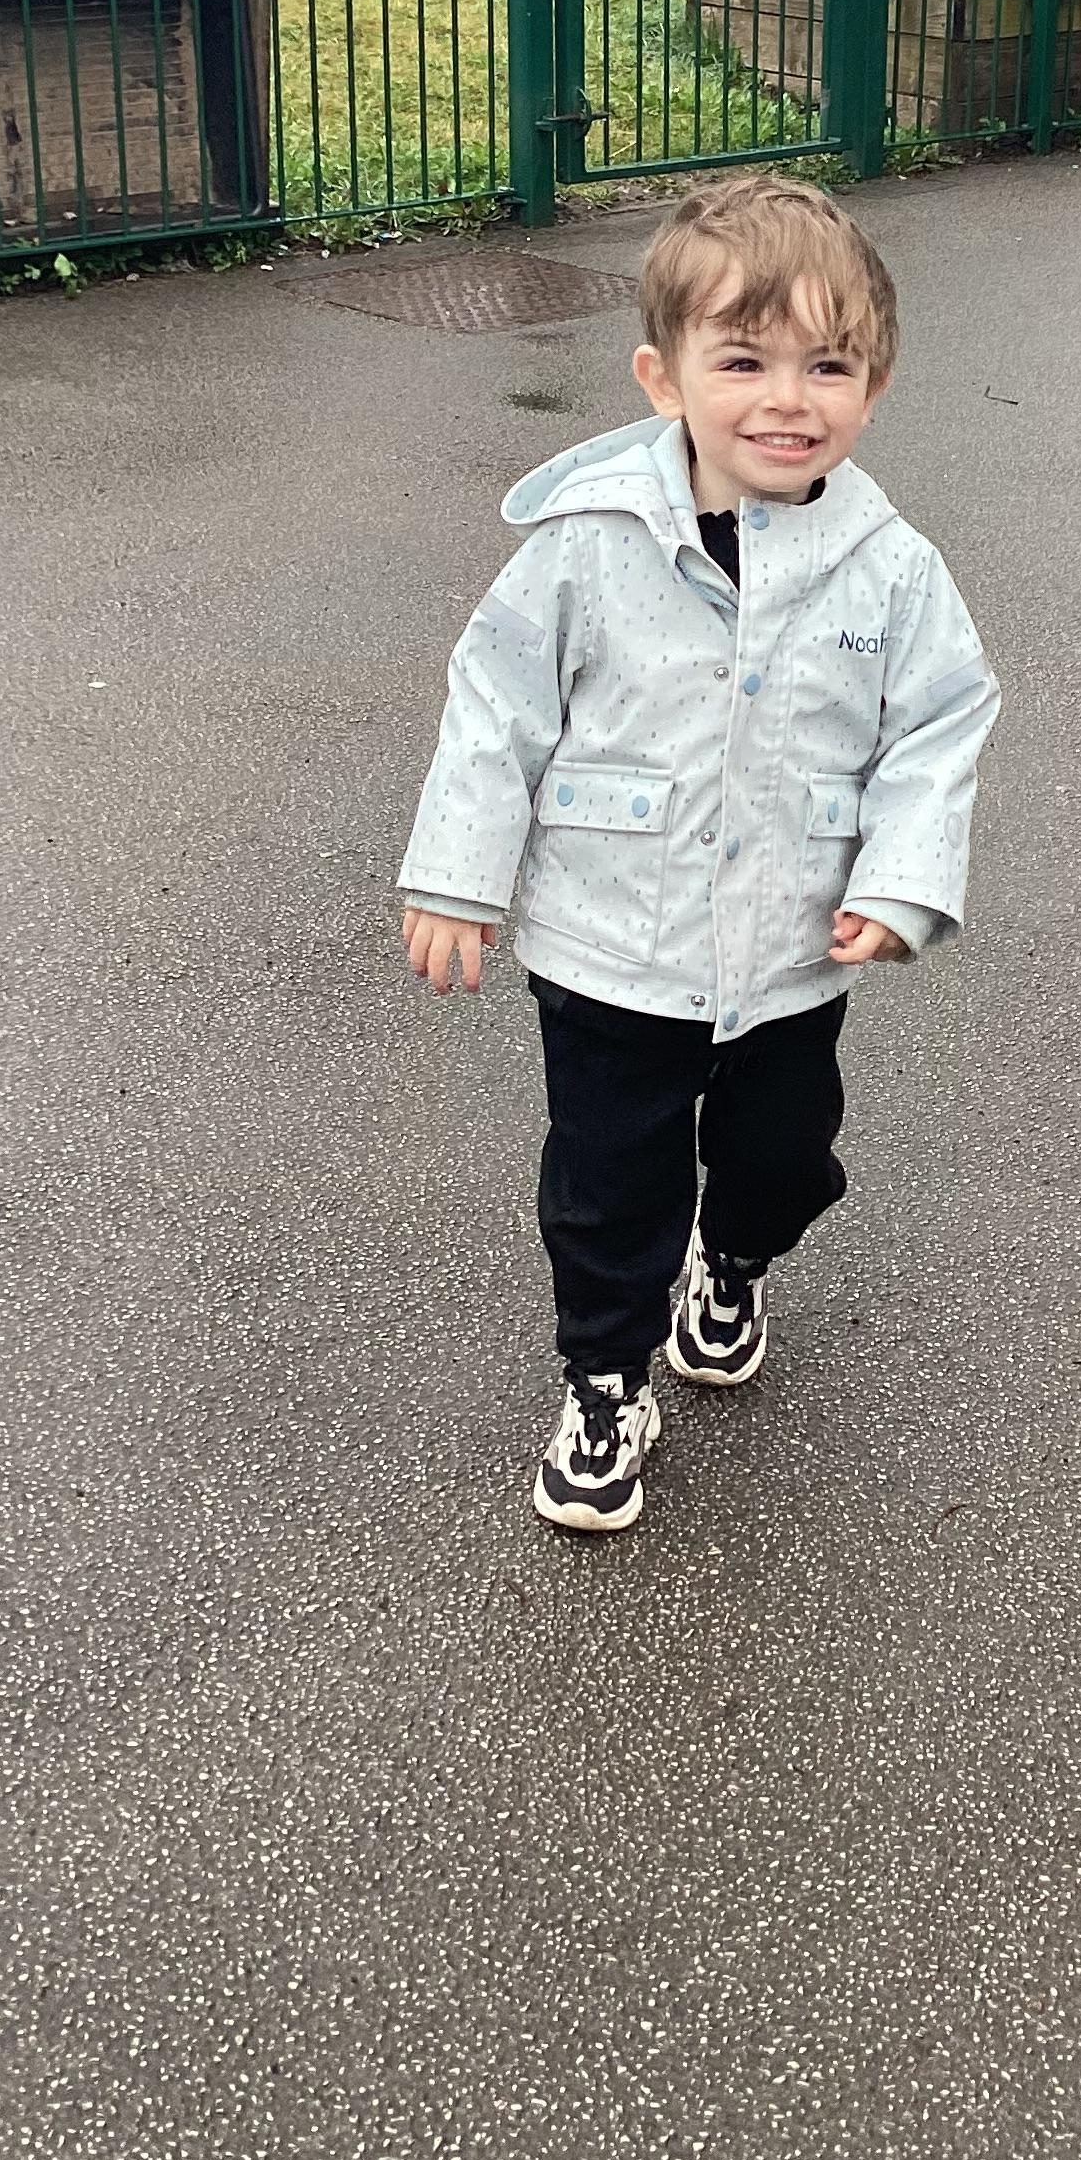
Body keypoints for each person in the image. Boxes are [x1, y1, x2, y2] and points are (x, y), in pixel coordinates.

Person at [398, 171, 1001, 1533]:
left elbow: (941, 720)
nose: (788, 399)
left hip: (790, 945)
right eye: (743, 361)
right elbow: (497, 703)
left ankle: (731, 1261)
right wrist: (459, 874)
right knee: (610, 1181)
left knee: (784, 1156)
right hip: (611, 938)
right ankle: (606, 1377)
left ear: (875, 383)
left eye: (828, 365)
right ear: (663, 378)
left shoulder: (890, 567)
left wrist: (902, 879)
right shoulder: (585, 546)